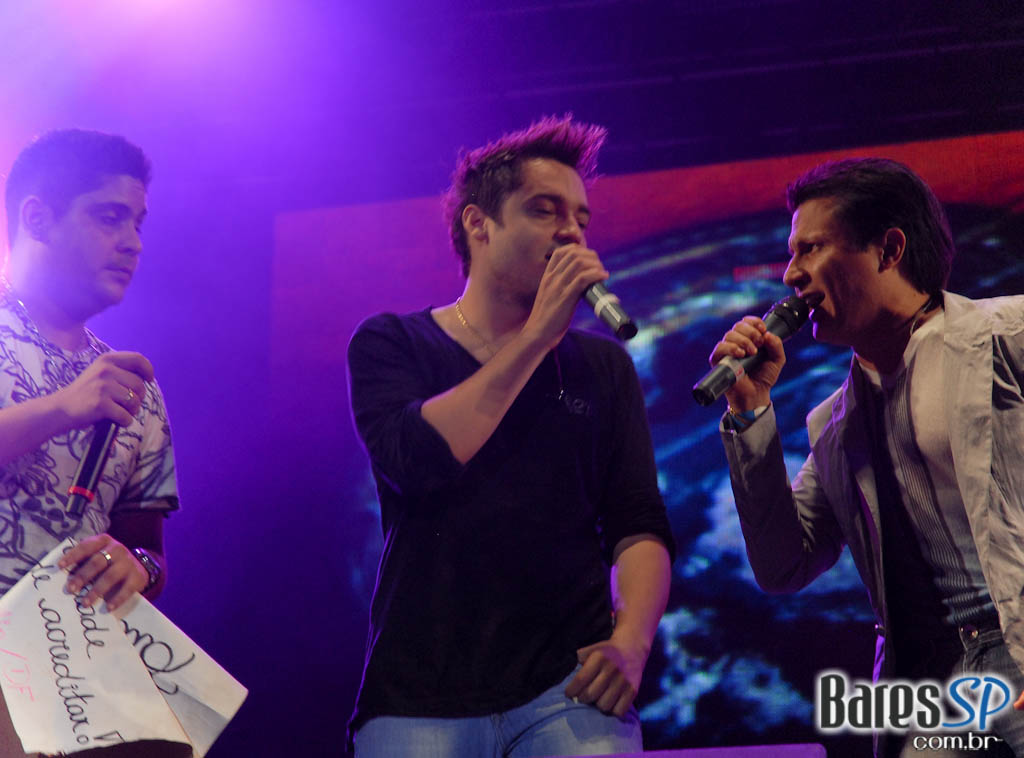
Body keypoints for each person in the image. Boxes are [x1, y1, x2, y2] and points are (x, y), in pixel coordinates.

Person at [346, 116, 674, 757]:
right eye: (545, 211)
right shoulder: (392, 342)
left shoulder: (603, 367)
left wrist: (633, 642)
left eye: (581, 217)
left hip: (567, 688)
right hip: (418, 695)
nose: (571, 231)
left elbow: (637, 520)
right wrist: (536, 337)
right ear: (479, 224)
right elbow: (416, 460)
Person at [709, 157, 1024, 756]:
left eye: (810, 249)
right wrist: (749, 413)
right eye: (791, 254)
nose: (790, 274)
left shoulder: (1005, 336)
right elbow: (783, 567)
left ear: (888, 250)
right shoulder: (834, 424)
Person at [0, 128, 176, 610]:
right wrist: (62, 408)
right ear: (37, 218)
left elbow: (150, 553)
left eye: (137, 224)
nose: (133, 244)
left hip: (69, 652)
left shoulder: (134, 387)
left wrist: (136, 566)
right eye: (110, 218)